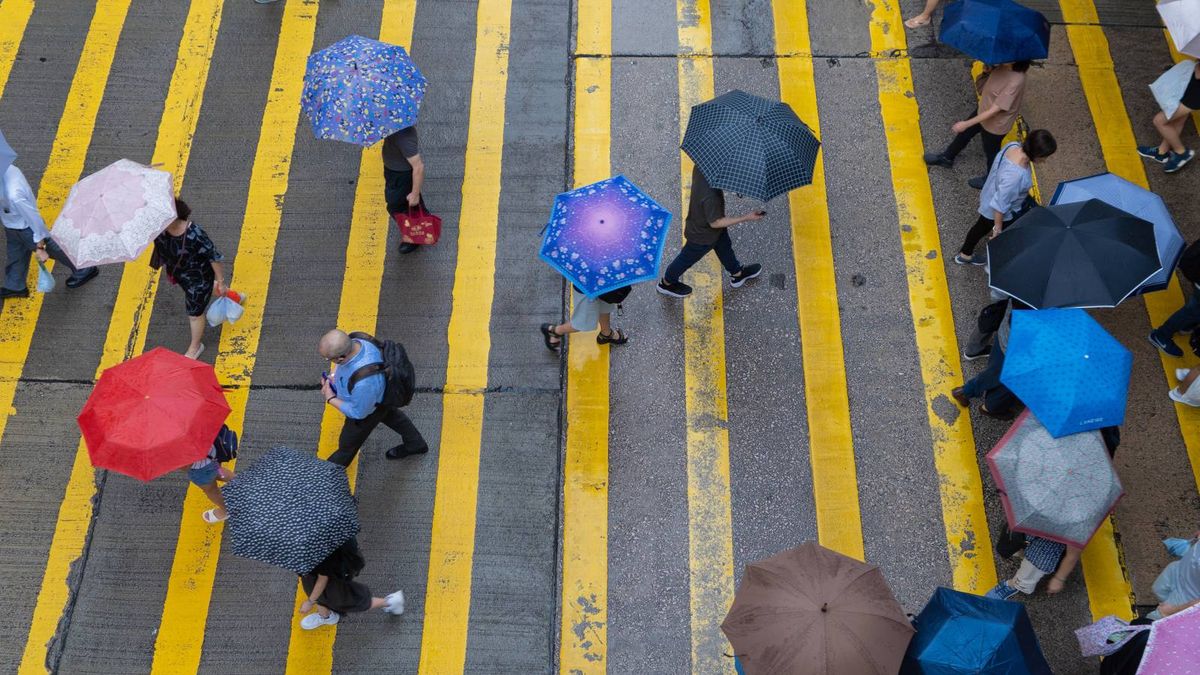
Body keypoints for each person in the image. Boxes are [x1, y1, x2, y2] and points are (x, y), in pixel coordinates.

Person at [319, 329, 428, 466]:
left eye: (329, 359)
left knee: (347, 446)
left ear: (341, 358)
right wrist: (335, 377)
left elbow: (358, 412)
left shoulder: (364, 383)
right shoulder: (358, 339)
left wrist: (330, 397)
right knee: (394, 417)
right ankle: (416, 444)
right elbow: (346, 368)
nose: (329, 361)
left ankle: (329, 473)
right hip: (380, 398)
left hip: (368, 409)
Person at [656, 165, 763, 298]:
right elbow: (716, 222)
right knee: (685, 259)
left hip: (706, 225)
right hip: (703, 235)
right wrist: (746, 217)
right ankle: (666, 283)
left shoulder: (702, 166)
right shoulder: (711, 196)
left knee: (725, 248)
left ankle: (737, 274)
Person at [953, 130, 1056, 266]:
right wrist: (998, 229)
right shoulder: (1016, 176)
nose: (1044, 160)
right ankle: (1001, 262)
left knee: (980, 227)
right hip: (1004, 210)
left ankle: (964, 255)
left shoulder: (1012, 146)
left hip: (989, 195)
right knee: (1009, 234)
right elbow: (1000, 205)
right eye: (1044, 157)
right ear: (1036, 153)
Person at [151, 199, 238, 359]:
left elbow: (214, 257)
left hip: (199, 279)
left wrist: (221, 281)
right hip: (182, 276)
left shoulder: (194, 233)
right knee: (209, 290)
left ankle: (196, 346)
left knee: (195, 313)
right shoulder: (161, 231)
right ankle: (235, 297)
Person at [925, 61, 1033, 189]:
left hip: (995, 124)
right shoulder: (1002, 65)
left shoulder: (1017, 80)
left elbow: (995, 110)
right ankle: (947, 157)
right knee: (964, 134)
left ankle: (990, 179)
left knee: (991, 152)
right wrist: (987, 72)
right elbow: (984, 89)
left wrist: (966, 123)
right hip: (983, 110)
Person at [2, 164, 98, 298]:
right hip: (11, 224)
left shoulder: (14, 195)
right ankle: (15, 285)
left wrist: (40, 246)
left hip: (26, 228)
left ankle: (84, 269)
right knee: (16, 254)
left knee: (53, 249)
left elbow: (34, 219)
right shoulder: (8, 168)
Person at [298, 537, 405, 630]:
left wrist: (310, 602)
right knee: (316, 591)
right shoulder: (324, 536)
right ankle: (325, 615)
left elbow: (322, 580)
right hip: (323, 575)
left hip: (331, 578)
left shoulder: (319, 551)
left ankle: (391, 602)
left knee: (351, 600)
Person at [1137, 61, 1199, 174]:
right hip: (1192, 90)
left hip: (1195, 96)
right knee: (1179, 120)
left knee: (1159, 121)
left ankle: (1181, 153)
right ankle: (1162, 152)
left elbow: (1198, 74)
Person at [986, 536, 1083, 600]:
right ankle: (1023, 555)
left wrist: (1059, 578)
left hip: (1049, 543)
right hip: (1037, 527)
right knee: (1006, 546)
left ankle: (1013, 585)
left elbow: (1072, 555)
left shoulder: (1078, 524)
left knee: (1033, 568)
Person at [540, 284, 631, 351]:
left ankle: (606, 333)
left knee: (604, 307)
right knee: (583, 322)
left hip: (603, 285)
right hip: (586, 288)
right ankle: (555, 331)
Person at [382, 126, 426, 254]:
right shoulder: (394, 127)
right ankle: (420, 218)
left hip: (401, 176)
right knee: (408, 205)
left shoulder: (404, 136)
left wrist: (415, 194)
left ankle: (415, 237)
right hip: (393, 171)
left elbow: (418, 167)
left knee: (396, 207)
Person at [1147, 532, 1200, 620]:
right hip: (1179, 569)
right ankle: (1164, 604)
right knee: (1157, 589)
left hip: (1186, 598)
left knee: (1153, 620)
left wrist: (1171, 611)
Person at [187, 444, 235, 524]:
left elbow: (185, 465)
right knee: (219, 471)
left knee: (211, 491)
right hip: (211, 453)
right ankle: (242, 483)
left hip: (198, 469)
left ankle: (226, 510)